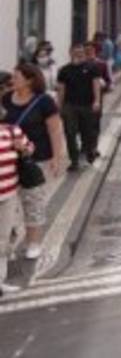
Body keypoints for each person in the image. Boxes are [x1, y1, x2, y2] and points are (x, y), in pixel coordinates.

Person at [3, 64, 66, 261]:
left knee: (33, 202)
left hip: (36, 160)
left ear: (29, 80)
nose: (12, 80)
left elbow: (55, 131)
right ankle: (8, 246)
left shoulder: (44, 101)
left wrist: (57, 158)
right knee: (8, 207)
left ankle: (33, 243)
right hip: (8, 162)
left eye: (16, 76)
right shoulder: (6, 99)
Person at [1, 114, 34, 296]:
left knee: (3, 238)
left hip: (8, 194)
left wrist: (23, 148)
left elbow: (29, 148)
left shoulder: (12, 131)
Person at [56, 45, 104, 169]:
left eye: (81, 52)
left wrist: (97, 101)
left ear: (84, 54)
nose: (78, 54)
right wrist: (59, 106)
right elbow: (61, 89)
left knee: (87, 131)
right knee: (70, 133)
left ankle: (89, 152)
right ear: (70, 53)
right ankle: (74, 160)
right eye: (75, 52)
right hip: (70, 105)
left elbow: (96, 85)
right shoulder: (64, 70)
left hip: (87, 105)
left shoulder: (92, 68)